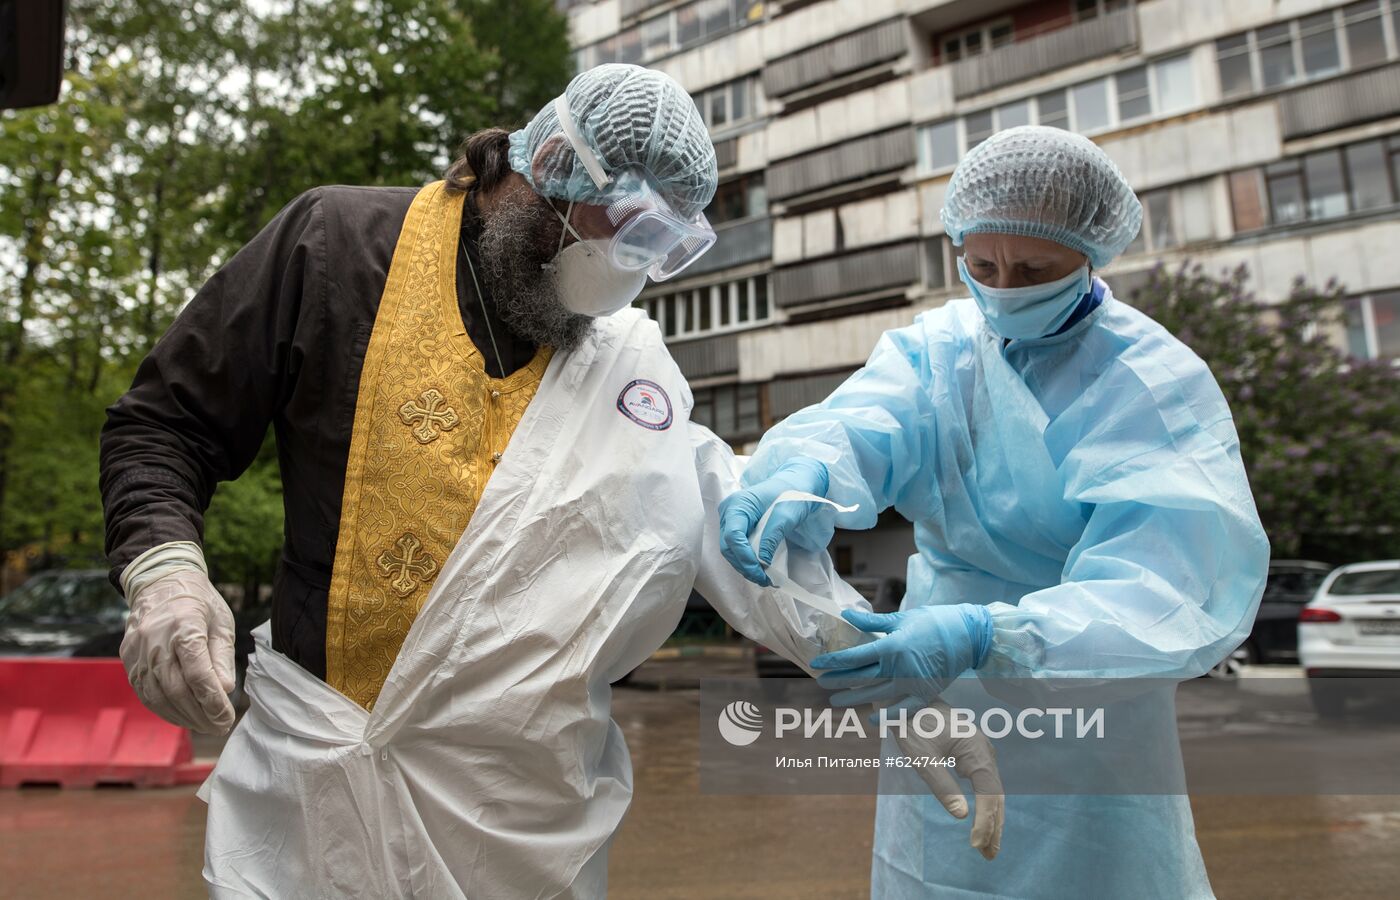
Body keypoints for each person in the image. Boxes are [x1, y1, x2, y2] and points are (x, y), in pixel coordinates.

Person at [100, 64, 1001, 897]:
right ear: (551, 168)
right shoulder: (335, 248)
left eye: (660, 250)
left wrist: (886, 676)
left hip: (524, 832)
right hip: (315, 799)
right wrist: (165, 574)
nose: (628, 274)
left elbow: (727, 532)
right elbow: (165, 422)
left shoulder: (628, 369)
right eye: (626, 234)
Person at [719, 125, 1270, 899]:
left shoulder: (1149, 384)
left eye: (1035, 268)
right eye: (981, 265)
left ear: (1091, 254)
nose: (1004, 287)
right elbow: (865, 423)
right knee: (934, 875)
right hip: (936, 690)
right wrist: (803, 473)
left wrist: (990, 634)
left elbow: (1167, 587)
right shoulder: (942, 349)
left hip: (1087, 709)